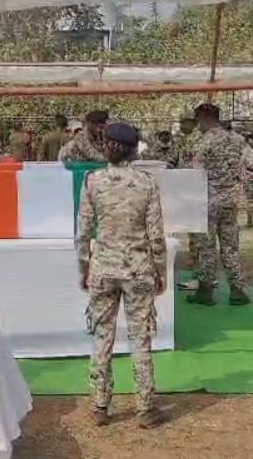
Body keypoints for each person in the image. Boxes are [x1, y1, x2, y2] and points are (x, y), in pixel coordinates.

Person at [76, 121, 166, 429]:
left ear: (107, 147)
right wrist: (160, 270)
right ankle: (145, 407)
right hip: (138, 268)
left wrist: (83, 267)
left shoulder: (92, 181)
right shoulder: (147, 182)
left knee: (102, 335)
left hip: (103, 268)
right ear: (133, 150)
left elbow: (84, 231)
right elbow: (156, 235)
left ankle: (100, 406)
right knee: (140, 337)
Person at [189, 104, 250, 306]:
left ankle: (205, 291)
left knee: (206, 247)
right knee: (230, 246)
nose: (197, 125)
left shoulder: (203, 141)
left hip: (207, 200)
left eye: (197, 120)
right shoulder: (238, 139)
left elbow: (196, 171)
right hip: (230, 200)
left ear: (204, 118)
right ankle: (237, 290)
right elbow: (244, 168)